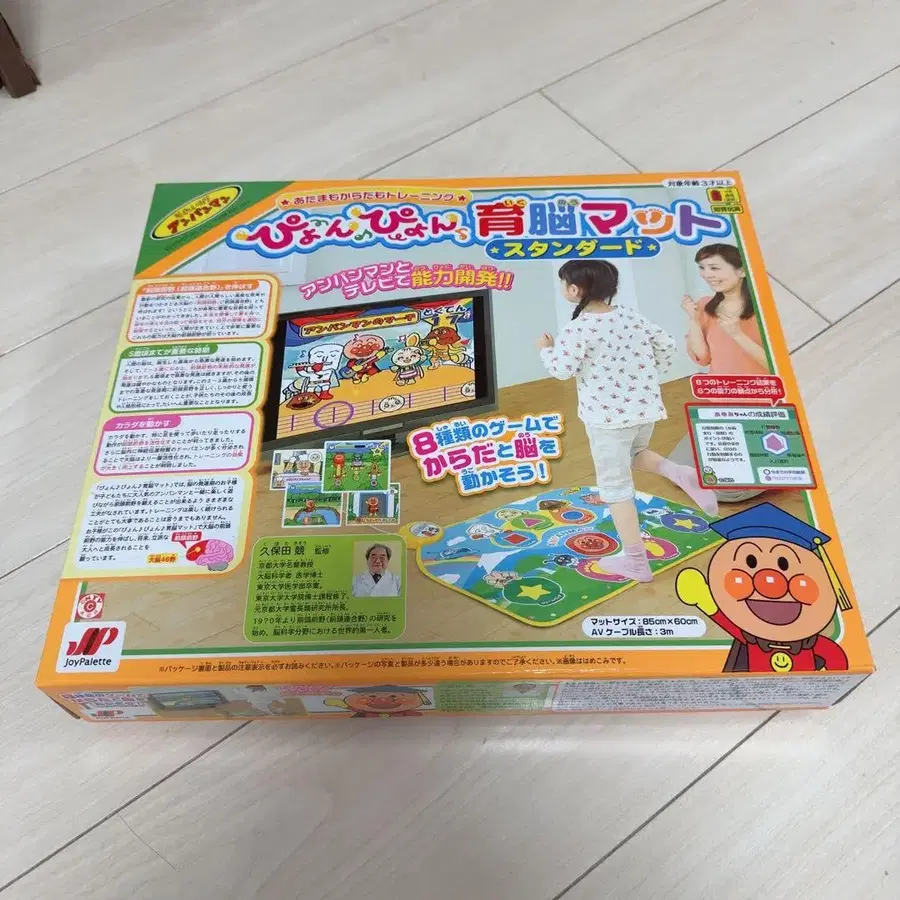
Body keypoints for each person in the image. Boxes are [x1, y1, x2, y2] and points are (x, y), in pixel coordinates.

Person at [536, 259, 718, 583]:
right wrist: (647, 376)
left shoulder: (579, 328)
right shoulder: (629, 316)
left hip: (607, 421)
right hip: (643, 409)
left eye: (565, 283)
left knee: (615, 488)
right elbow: (667, 345)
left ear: (574, 290)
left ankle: (636, 562)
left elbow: (561, 370)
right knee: (636, 454)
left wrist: (546, 350)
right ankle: (680, 473)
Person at [682, 243, 768, 375]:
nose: (706, 275)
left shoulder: (764, 307)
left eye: (714, 268)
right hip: (722, 387)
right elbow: (703, 358)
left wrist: (737, 335)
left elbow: (777, 365)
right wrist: (694, 319)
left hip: (760, 387)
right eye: (702, 267)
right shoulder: (703, 305)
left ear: (742, 271)